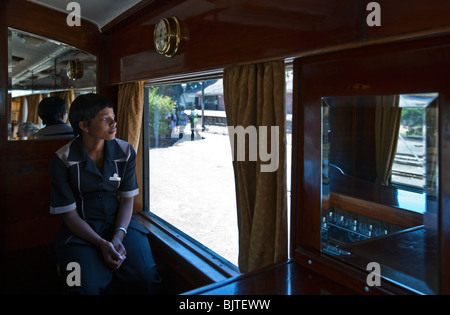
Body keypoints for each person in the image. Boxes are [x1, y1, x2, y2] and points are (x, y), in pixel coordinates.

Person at [48, 93, 160, 294]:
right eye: (105, 119)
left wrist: (118, 237)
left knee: (146, 275)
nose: (114, 123)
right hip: (79, 229)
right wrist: (101, 244)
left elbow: (127, 200)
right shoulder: (62, 159)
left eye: (113, 117)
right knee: (79, 285)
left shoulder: (125, 151)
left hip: (120, 223)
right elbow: (70, 215)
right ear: (84, 126)